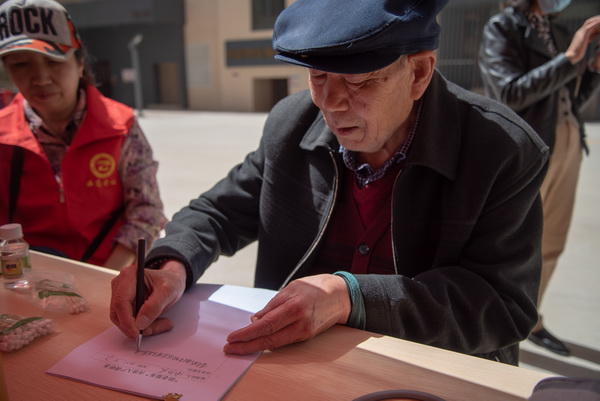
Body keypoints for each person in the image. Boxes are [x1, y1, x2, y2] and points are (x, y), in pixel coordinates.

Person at [110, 0, 549, 365]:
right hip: (296, 364)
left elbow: (502, 306)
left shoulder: (501, 150)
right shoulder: (292, 122)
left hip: (431, 366)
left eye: (357, 81)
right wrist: (171, 265)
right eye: (317, 77)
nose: (330, 104)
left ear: (418, 73)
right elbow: (219, 211)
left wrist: (350, 297)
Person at [0, 0, 167, 270]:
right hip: (28, 277)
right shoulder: (2, 135)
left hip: (109, 273)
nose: (40, 78)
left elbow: (147, 212)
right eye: (21, 64)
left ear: (80, 63)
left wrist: (102, 278)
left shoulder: (121, 126)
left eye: (53, 61)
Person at [478, 0, 600, 356]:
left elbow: (568, 97)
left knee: (553, 240)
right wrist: (571, 56)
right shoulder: (503, 28)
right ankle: (502, 325)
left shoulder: (556, 30)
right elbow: (510, 93)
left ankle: (531, 319)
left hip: (567, 141)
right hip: (531, 149)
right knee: (515, 244)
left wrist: (592, 70)